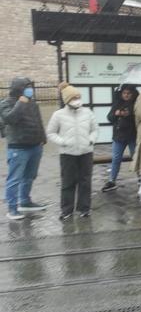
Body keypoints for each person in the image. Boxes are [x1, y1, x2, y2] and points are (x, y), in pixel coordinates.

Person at [46, 83, 97, 220]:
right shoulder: (58, 115)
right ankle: (66, 210)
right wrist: (63, 142)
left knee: (85, 181)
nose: (77, 100)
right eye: (74, 98)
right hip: (67, 154)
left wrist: (91, 140)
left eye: (78, 97)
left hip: (86, 152)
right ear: (67, 100)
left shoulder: (88, 113)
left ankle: (84, 208)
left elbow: (95, 129)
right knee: (68, 182)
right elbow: (50, 133)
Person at [0, 77, 48, 220]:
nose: (30, 89)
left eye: (30, 86)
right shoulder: (6, 103)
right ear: (19, 89)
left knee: (30, 176)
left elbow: (38, 121)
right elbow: (10, 119)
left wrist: (42, 137)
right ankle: (12, 209)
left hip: (35, 145)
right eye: (27, 87)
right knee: (14, 179)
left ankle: (25, 202)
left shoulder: (33, 103)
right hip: (18, 148)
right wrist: (21, 103)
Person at [102, 86, 138, 192]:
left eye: (128, 93)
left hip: (132, 135)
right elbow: (109, 117)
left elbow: (138, 117)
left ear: (133, 94)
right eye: (124, 93)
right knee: (116, 158)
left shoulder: (136, 104)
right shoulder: (117, 103)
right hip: (119, 136)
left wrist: (129, 114)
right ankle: (112, 180)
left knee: (135, 157)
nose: (126, 95)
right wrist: (116, 114)